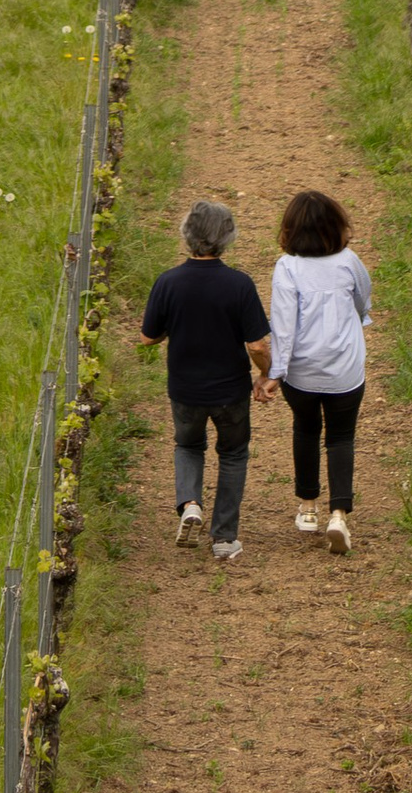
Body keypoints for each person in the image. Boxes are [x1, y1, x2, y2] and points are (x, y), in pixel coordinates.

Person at [139, 198, 270, 563]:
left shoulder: (168, 282)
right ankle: (225, 538)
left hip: (184, 389)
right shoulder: (239, 285)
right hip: (230, 391)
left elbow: (148, 337)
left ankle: (191, 504)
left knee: (187, 447)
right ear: (228, 237)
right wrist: (265, 373)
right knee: (233, 454)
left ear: (186, 235)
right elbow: (257, 343)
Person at [266, 187, 370, 558]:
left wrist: (275, 373)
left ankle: (308, 507)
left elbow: (283, 324)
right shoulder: (348, 262)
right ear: (335, 227)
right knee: (341, 437)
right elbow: (362, 299)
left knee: (306, 429)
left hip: (302, 373)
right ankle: (339, 513)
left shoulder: (288, 268)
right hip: (344, 370)